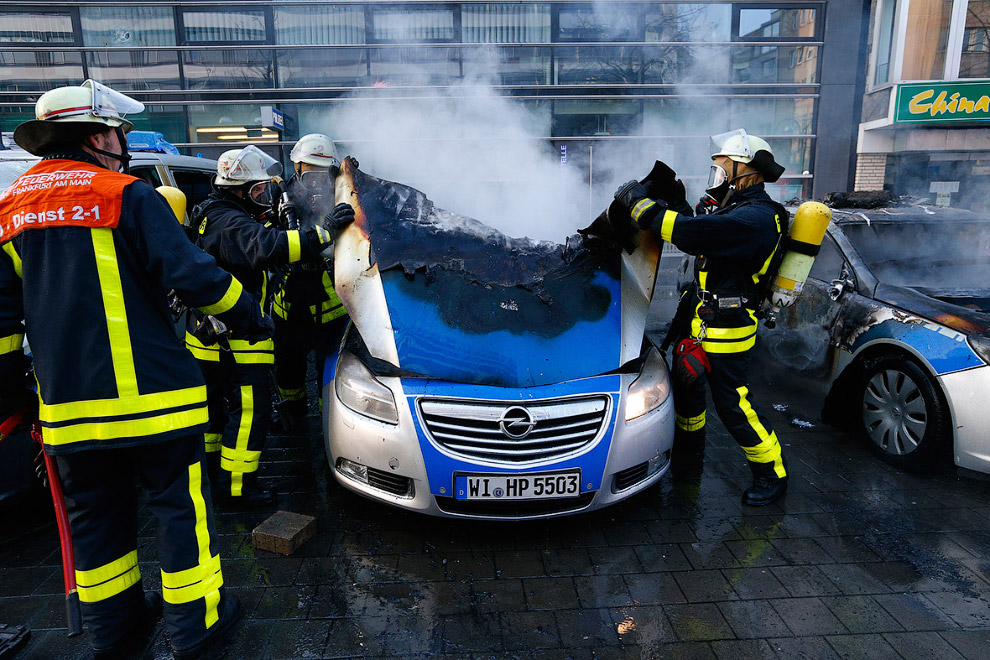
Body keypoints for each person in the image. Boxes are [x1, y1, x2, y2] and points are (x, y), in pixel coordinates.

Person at [0, 79, 272, 659]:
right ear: (98, 135)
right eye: (119, 134)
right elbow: (196, 278)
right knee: (179, 510)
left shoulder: (8, 211)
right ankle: (197, 625)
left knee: (96, 522)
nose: (121, 145)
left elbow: (1, 326)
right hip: (156, 401)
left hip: (69, 412)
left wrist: (19, 396)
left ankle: (115, 629)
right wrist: (251, 316)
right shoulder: (127, 194)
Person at [613, 129, 790, 507]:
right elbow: (707, 235)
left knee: (733, 405)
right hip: (703, 321)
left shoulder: (754, 219)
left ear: (745, 170)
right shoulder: (736, 211)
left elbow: (688, 234)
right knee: (689, 394)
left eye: (723, 169)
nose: (718, 177)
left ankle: (772, 474)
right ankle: (689, 459)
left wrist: (639, 206)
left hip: (728, 331)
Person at [185, 145, 354, 507]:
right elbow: (269, 248)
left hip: (209, 337)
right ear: (239, 190)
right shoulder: (230, 222)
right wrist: (323, 234)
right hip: (237, 338)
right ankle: (236, 490)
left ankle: (211, 475)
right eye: (258, 190)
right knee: (250, 413)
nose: (265, 195)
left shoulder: (216, 212)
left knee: (214, 414)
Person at [270, 134, 352, 430]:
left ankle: (331, 423)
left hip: (329, 295)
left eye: (321, 170)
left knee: (329, 367)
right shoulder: (282, 193)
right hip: (289, 296)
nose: (315, 179)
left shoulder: (343, 192)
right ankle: (293, 418)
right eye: (308, 169)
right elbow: (267, 236)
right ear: (296, 166)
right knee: (288, 364)